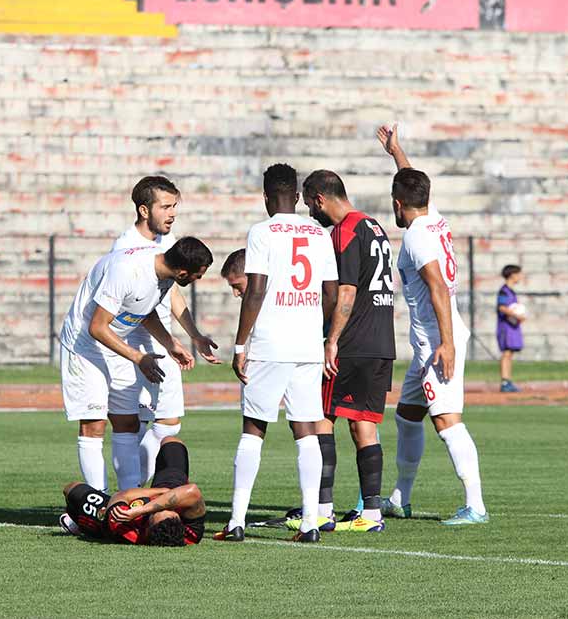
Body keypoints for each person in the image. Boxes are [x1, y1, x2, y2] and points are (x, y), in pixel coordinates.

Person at [215, 164, 338, 543]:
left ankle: (236, 522)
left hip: (270, 343)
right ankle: (311, 524)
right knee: (306, 432)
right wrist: (317, 331)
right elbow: (332, 293)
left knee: (254, 429)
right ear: (298, 197)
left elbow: (255, 290)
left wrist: (240, 344)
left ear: (266, 197)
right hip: (306, 345)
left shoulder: (261, 232)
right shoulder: (318, 232)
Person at [377, 125, 488, 525]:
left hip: (439, 339)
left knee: (446, 420)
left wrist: (446, 344)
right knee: (407, 414)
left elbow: (438, 287)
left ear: (397, 203)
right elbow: (412, 184)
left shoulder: (417, 238)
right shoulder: (432, 219)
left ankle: (475, 505)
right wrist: (397, 153)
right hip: (434, 338)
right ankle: (399, 497)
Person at [59, 237, 212, 493]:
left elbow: (143, 310)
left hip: (116, 341)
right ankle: (98, 500)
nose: (197, 281)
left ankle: (129, 495)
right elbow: (96, 327)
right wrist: (138, 357)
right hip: (85, 344)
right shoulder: (127, 271)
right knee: (94, 424)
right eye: (197, 276)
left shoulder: (164, 274)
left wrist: (170, 342)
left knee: (127, 422)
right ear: (183, 272)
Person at [295, 169, 396, 533]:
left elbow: (347, 291)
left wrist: (331, 340)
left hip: (352, 343)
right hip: (382, 341)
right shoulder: (374, 226)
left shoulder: (345, 230)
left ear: (320, 199)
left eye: (310, 205)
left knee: (322, 417)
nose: (311, 213)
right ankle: (371, 514)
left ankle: (322, 508)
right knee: (364, 425)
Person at [110, 176, 220, 484]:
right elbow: (138, 310)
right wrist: (170, 342)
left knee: (168, 425)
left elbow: (171, 290)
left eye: (174, 206)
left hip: (162, 339)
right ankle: (126, 495)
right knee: (135, 424)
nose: (172, 213)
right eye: (165, 206)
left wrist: (194, 334)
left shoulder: (166, 242)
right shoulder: (126, 248)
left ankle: (134, 493)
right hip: (134, 342)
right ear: (145, 211)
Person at [61, 437, 206, 546]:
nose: (162, 505)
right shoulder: (190, 534)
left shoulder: (127, 529)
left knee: (73, 489)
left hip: (109, 514)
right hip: (165, 491)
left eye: (157, 510)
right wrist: (164, 495)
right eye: (169, 508)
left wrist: (141, 509)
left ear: (148, 529)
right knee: (171, 443)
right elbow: (192, 491)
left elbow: (124, 495)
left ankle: (76, 523)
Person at [497, 265, 526, 393]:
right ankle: (504, 381)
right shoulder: (504, 291)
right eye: (518, 274)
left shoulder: (511, 291)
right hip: (505, 326)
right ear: (512, 274)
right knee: (506, 353)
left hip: (512, 326)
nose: (520, 276)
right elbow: (501, 307)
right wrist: (516, 315)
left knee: (510, 353)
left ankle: (508, 380)